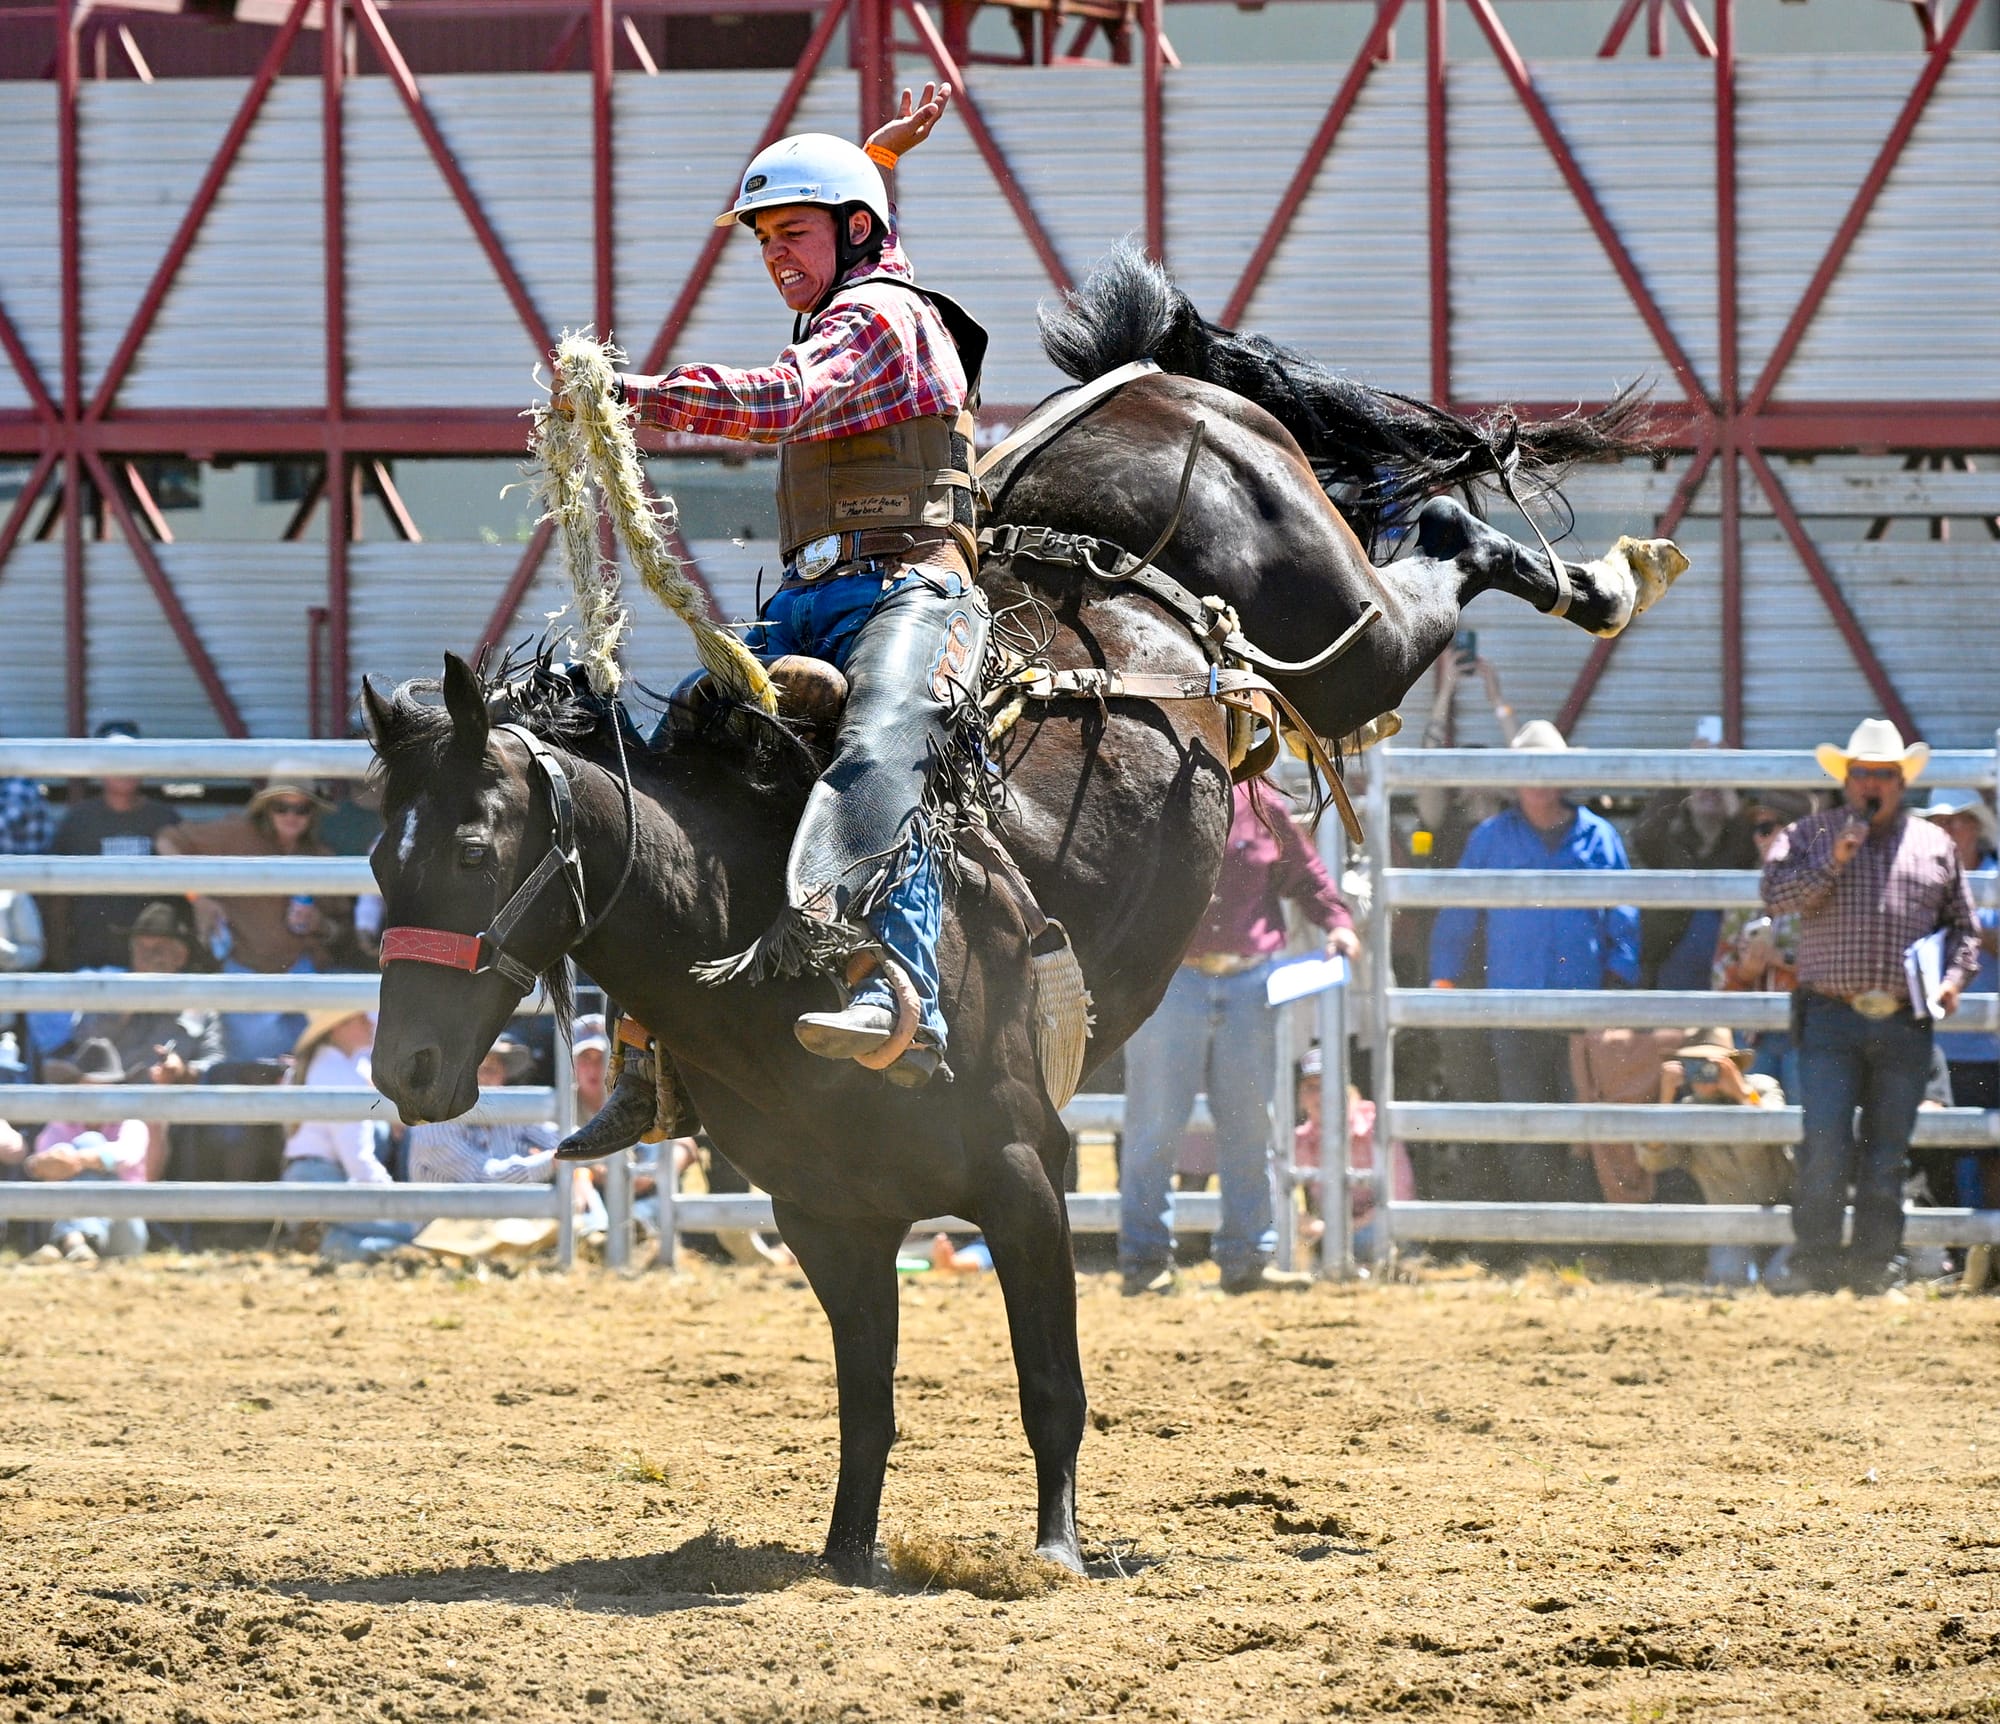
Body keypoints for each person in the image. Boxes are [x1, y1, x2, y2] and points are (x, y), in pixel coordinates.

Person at [559, 83, 983, 1156]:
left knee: (886, 745)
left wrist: (632, 395)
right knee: (672, 771)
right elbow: (838, 290)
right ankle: (654, 1049)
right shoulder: (856, 300)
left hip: (908, 588)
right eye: (762, 241)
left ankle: (901, 995)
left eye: (791, 232)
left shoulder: (881, 319)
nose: (773, 256)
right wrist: (874, 161)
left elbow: (778, 401)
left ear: (852, 233)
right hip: (812, 595)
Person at [1762, 719, 1980, 1294]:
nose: (1872, 785)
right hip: (1830, 1015)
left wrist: (1954, 980)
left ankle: (1873, 1268)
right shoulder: (1808, 834)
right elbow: (1777, 896)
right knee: (1826, 1144)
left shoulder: (1935, 845)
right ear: (1847, 780)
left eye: (1884, 775)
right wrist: (1833, 859)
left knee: (1888, 1155)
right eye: (1863, 775)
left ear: (1900, 781)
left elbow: (1964, 929)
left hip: (1905, 1020)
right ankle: (1816, 1263)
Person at [1118, 777, 1358, 1296]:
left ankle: (1245, 1257)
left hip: (1243, 980)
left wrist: (1337, 921)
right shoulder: (1159, 790)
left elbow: (1307, 874)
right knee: (1156, 1124)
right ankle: (1147, 1260)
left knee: (1248, 1126)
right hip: (1174, 975)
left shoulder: (1260, 801)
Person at [1428, 720, 1638, 1207]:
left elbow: (1625, 919)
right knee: (1524, 1120)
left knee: (1583, 1120)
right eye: (1530, 769)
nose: (1539, 780)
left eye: (1547, 768)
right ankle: (1536, 1231)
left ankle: (1579, 1230)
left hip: (1582, 1011)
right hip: (1514, 1007)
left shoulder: (1600, 837)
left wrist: (1615, 990)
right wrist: (1444, 978)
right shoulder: (1490, 837)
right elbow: (1457, 912)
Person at [158, 772, 357, 1061]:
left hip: (302, 981)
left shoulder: (320, 856)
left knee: (302, 1080)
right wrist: (196, 897)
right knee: (253, 1078)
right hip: (246, 978)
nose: (292, 816)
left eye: (302, 809)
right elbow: (167, 841)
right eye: (282, 807)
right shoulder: (234, 834)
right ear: (266, 809)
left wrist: (320, 923)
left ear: (312, 814)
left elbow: (344, 932)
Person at [1636, 1030, 1791, 1287]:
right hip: (1729, 1223)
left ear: (1731, 1065)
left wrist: (1740, 1092)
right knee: (1729, 1281)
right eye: (1695, 1066)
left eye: (1712, 1066)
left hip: (1783, 1213)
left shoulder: (1761, 1088)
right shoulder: (1685, 1111)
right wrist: (1664, 1098)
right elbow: (1653, 1160)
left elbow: (1776, 1130)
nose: (1704, 1074)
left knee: (1783, 1280)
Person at [1631, 718, 1758, 990]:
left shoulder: (1739, 846)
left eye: (1717, 787)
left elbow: (1748, 842)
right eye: (1700, 784)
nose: (1709, 789)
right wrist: (1687, 767)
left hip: (1727, 978)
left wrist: (1724, 775)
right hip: (1668, 979)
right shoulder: (1669, 846)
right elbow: (1643, 833)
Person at [0, 1039, 150, 1262]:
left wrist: (76, 1159)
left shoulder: (132, 1124)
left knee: (90, 1144)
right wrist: (50, 1163)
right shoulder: (61, 1123)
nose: (96, 1098)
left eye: (103, 1089)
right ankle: (78, 1245)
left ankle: (72, 1241)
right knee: (84, 1151)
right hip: (67, 1217)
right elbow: (43, 1161)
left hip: (121, 1227)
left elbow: (125, 1155)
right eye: (89, 1089)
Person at [48, 721, 181, 971]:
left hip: (151, 961)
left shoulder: (164, 818)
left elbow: (186, 888)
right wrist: (59, 957)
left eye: (132, 759)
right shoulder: (78, 820)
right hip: (90, 959)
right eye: (116, 759)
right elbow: (58, 897)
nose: (125, 768)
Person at [281, 1008, 409, 1262]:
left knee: (400, 1233)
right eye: (361, 1018)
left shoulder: (328, 1065)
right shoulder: (341, 1074)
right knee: (412, 1229)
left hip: (307, 1182)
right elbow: (357, 1160)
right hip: (325, 1182)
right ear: (339, 1027)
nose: (371, 1022)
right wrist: (395, 1199)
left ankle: (325, 1238)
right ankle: (330, 1240)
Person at [1711, 789, 1815, 1099]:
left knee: (1807, 1129)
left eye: (1768, 828)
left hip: (1808, 1030)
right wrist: (1745, 971)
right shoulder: (1744, 891)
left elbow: (1838, 966)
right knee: (1757, 1133)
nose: (1761, 838)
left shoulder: (1824, 887)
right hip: (1753, 1034)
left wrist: (1777, 958)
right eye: (1758, 829)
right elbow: (1719, 976)